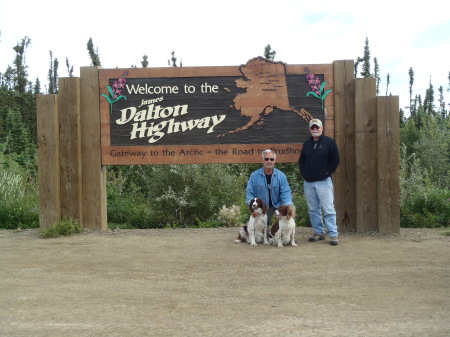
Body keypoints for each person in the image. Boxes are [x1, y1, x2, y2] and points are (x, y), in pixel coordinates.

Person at [298, 118, 340, 246]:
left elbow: (336, 160)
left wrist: (326, 172)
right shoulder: (306, 144)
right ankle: (319, 232)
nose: (315, 129)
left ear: (322, 128)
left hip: (324, 182)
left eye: (317, 127)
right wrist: (304, 173)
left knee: (328, 209)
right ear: (310, 129)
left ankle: (333, 235)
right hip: (309, 183)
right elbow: (301, 161)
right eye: (312, 127)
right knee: (313, 210)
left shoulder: (329, 142)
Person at [246, 149, 295, 229]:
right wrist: (252, 209)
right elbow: (249, 194)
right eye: (266, 159)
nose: (269, 161)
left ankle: (288, 236)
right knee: (262, 229)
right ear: (263, 160)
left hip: (278, 205)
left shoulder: (281, 176)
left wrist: (290, 206)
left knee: (290, 209)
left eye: (271, 159)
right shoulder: (254, 176)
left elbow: (286, 194)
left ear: (274, 161)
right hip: (263, 207)